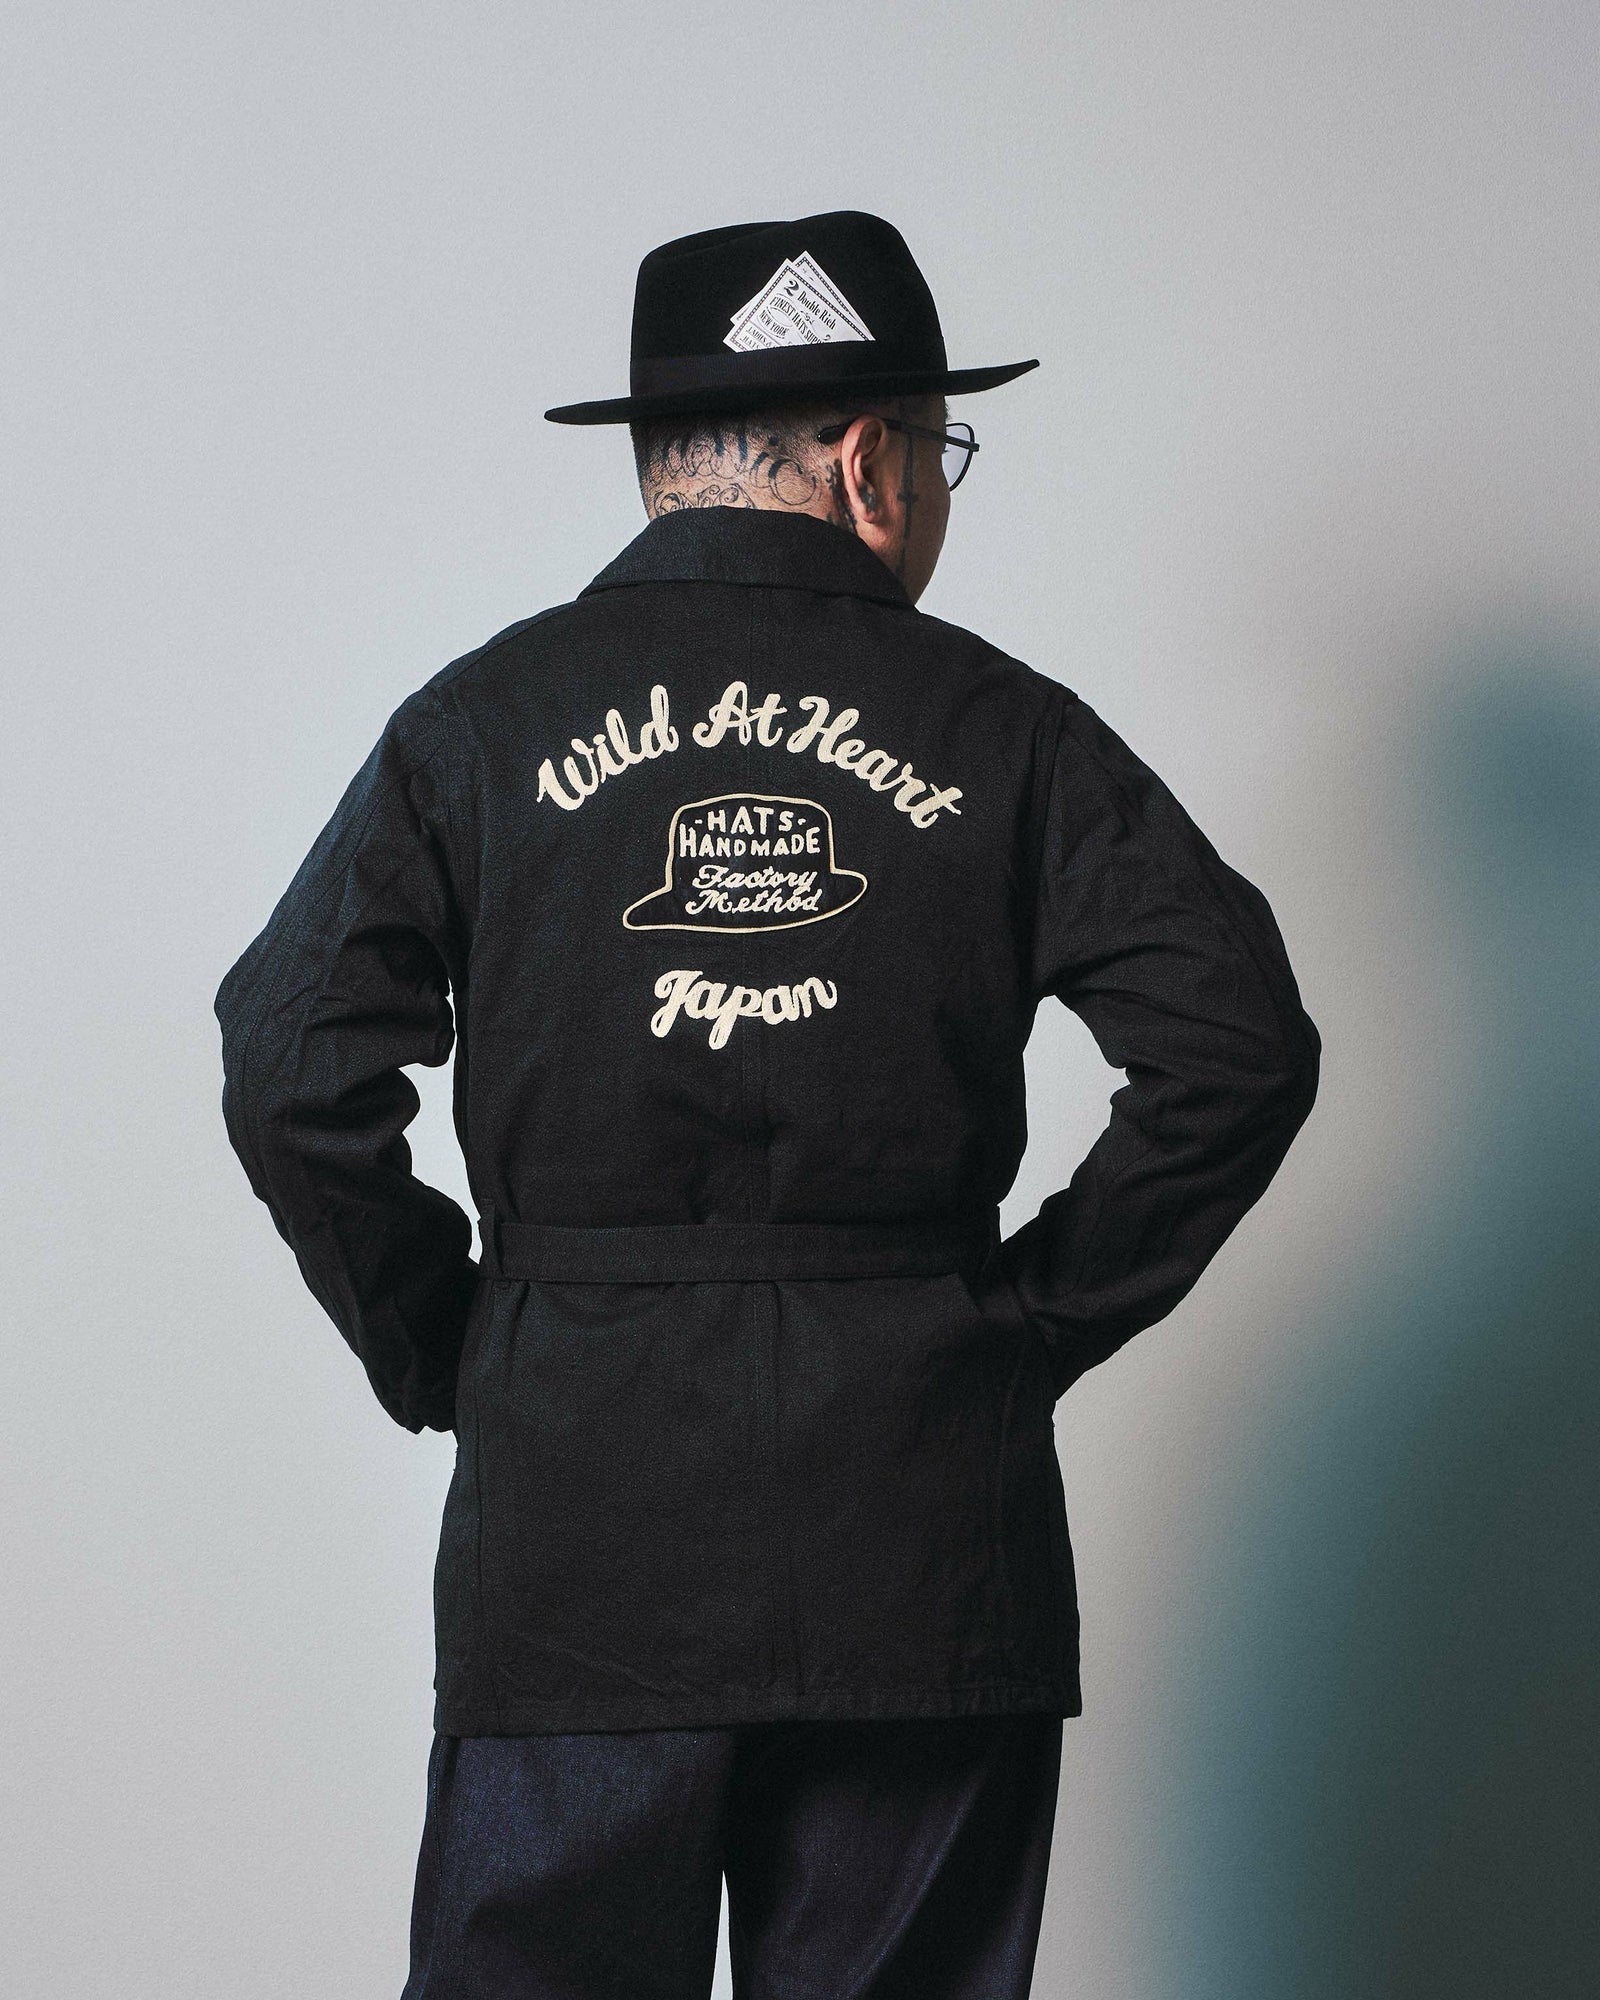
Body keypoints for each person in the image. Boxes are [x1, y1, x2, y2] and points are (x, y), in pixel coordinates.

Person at [212, 210, 1321, 1999]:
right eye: (941, 452)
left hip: (581, 1533)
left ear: (661, 461)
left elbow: (287, 1061)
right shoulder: (1009, 730)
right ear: (872, 464)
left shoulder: (479, 725)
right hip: (923, 1538)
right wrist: (1018, 1327)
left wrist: (460, 1351)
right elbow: (1240, 1047)